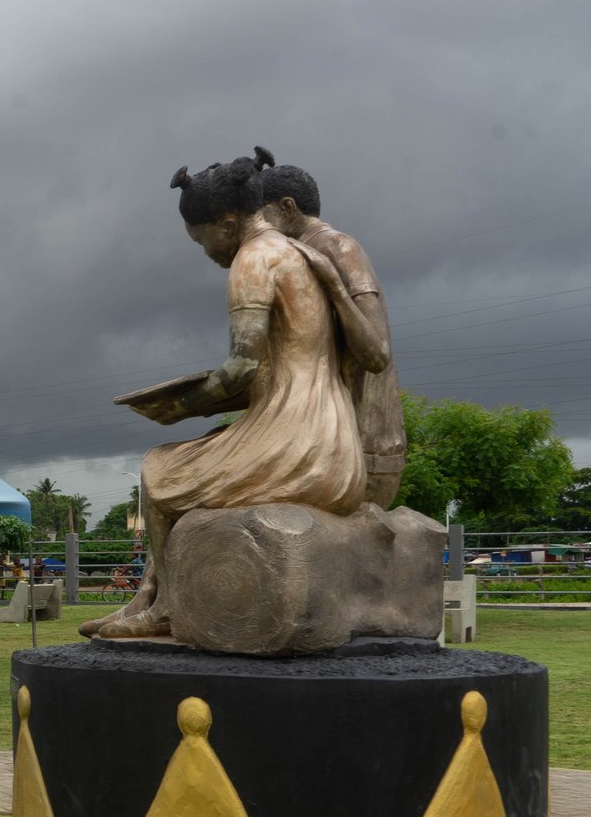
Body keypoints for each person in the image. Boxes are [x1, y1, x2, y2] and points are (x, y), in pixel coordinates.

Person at [86, 151, 364, 640]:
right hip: (339, 443)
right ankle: (147, 598)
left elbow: (241, 367)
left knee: (157, 471)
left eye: (202, 239)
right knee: (204, 450)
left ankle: (165, 609)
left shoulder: (253, 260)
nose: (206, 252)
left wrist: (179, 406)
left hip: (297, 440)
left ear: (228, 223)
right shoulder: (299, 253)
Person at [257, 153, 403, 508]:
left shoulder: (338, 248)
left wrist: (335, 288)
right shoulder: (299, 253)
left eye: (262, 216)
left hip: (360, 450)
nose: (259, 228)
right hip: (322, 440)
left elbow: (376, 354)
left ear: (287, 206)